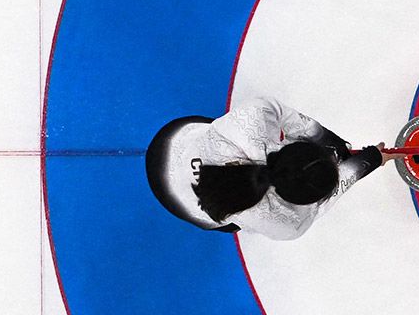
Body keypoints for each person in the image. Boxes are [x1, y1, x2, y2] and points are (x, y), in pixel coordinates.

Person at [146, 96, 384, 238]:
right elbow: (331, 191)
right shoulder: (287, 223)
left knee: (223, 131)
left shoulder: (252, 117)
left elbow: (306, 130)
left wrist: (362, 158)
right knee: (233, 224)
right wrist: (363, 160)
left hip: (179, 136)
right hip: (179, 160)